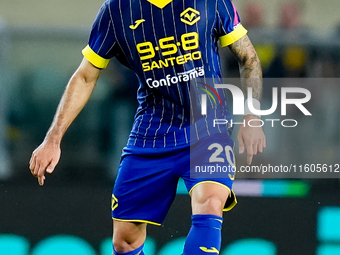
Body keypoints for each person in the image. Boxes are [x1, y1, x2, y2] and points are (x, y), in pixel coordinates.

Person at [29, 0, 265, 254]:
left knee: (209, 202)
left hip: (208, 126)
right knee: (124, 240)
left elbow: (248, 56)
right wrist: (53, 138)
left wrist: (252, 115)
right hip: (152, 133)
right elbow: (86, 75)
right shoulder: (116, 11)